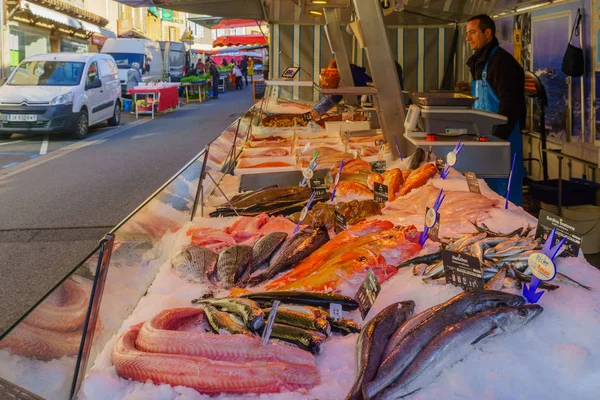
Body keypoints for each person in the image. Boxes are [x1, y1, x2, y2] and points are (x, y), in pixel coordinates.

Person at [466, 14, 525, 206]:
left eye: (473, 32)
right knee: (484, 201)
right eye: (467, 34)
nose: (468, 38)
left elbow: (510, 106)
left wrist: (496, 143)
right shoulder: (480, 62)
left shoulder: (502, 62)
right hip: (485, 143)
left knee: (506, 202)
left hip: (502, 144)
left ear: (488, 33)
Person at [310, 59, 404, 120]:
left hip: (385, 110)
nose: (332, 77)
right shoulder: (353, 72)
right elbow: (333, 95)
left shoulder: (350, 76)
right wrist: (316, 109)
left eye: (333, 73)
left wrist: (317, 110)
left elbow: (334, 97)